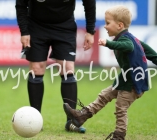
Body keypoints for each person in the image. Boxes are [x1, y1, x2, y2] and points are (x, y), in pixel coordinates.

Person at [63, 5, 157, 140]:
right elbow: (146, 49)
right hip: (125, 79)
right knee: (104, 95)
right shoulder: (132, 38)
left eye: (108, 23)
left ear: (120, 25)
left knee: (121, 108)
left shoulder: (127, 40)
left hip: (134, 82)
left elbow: (128, 47)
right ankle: (81, 116)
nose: (106, 26)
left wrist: (108, 43)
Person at [15, 0, 96, 133]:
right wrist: (24, 31)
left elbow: (89, 2)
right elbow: (21, 4)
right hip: (36, 26)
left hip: (65, 27)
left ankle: (72, 121)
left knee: (68, 69)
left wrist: (90, 31)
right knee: (36, 69)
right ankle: (36, 120)